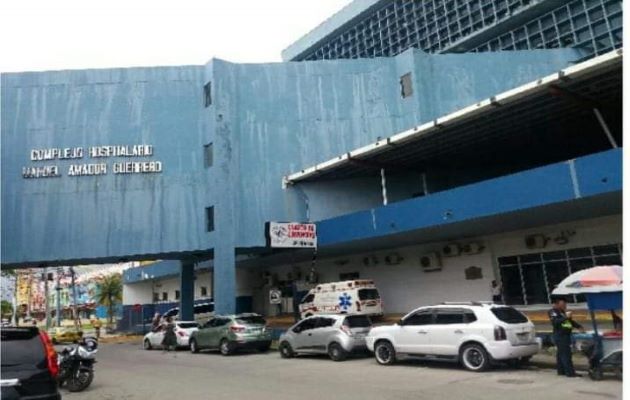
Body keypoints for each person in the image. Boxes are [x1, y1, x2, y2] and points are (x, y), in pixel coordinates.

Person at [548, 296, 585, 377]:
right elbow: (555, 322)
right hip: (560, 336)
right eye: (563, 304)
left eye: (565, 304)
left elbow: (570, 321)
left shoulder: (562, 312)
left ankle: (561, 371)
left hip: (566, 335)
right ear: (557, 304)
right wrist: (565, 317)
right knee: (566, 354)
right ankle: (570, 373)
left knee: (561, 354)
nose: (565, 306)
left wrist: (578, 326)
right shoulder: (552, 312)